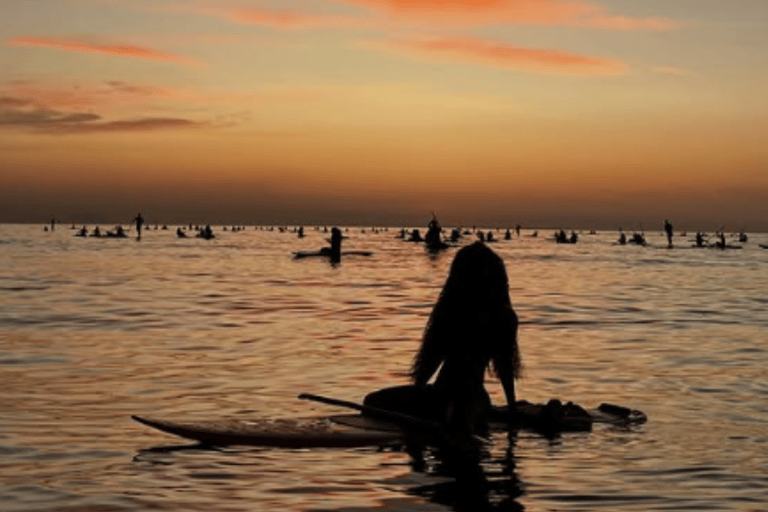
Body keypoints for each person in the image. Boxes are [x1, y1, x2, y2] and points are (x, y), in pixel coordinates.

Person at [364, 242, 521, 449]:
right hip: (442, 394)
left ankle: (452, 423)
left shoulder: (498, 317)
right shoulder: (457, 312)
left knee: (458, 417)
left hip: (470, 396)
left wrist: (512, 410)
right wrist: (416, 397)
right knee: (370, 401)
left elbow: (504, 367)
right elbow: (504, 368)